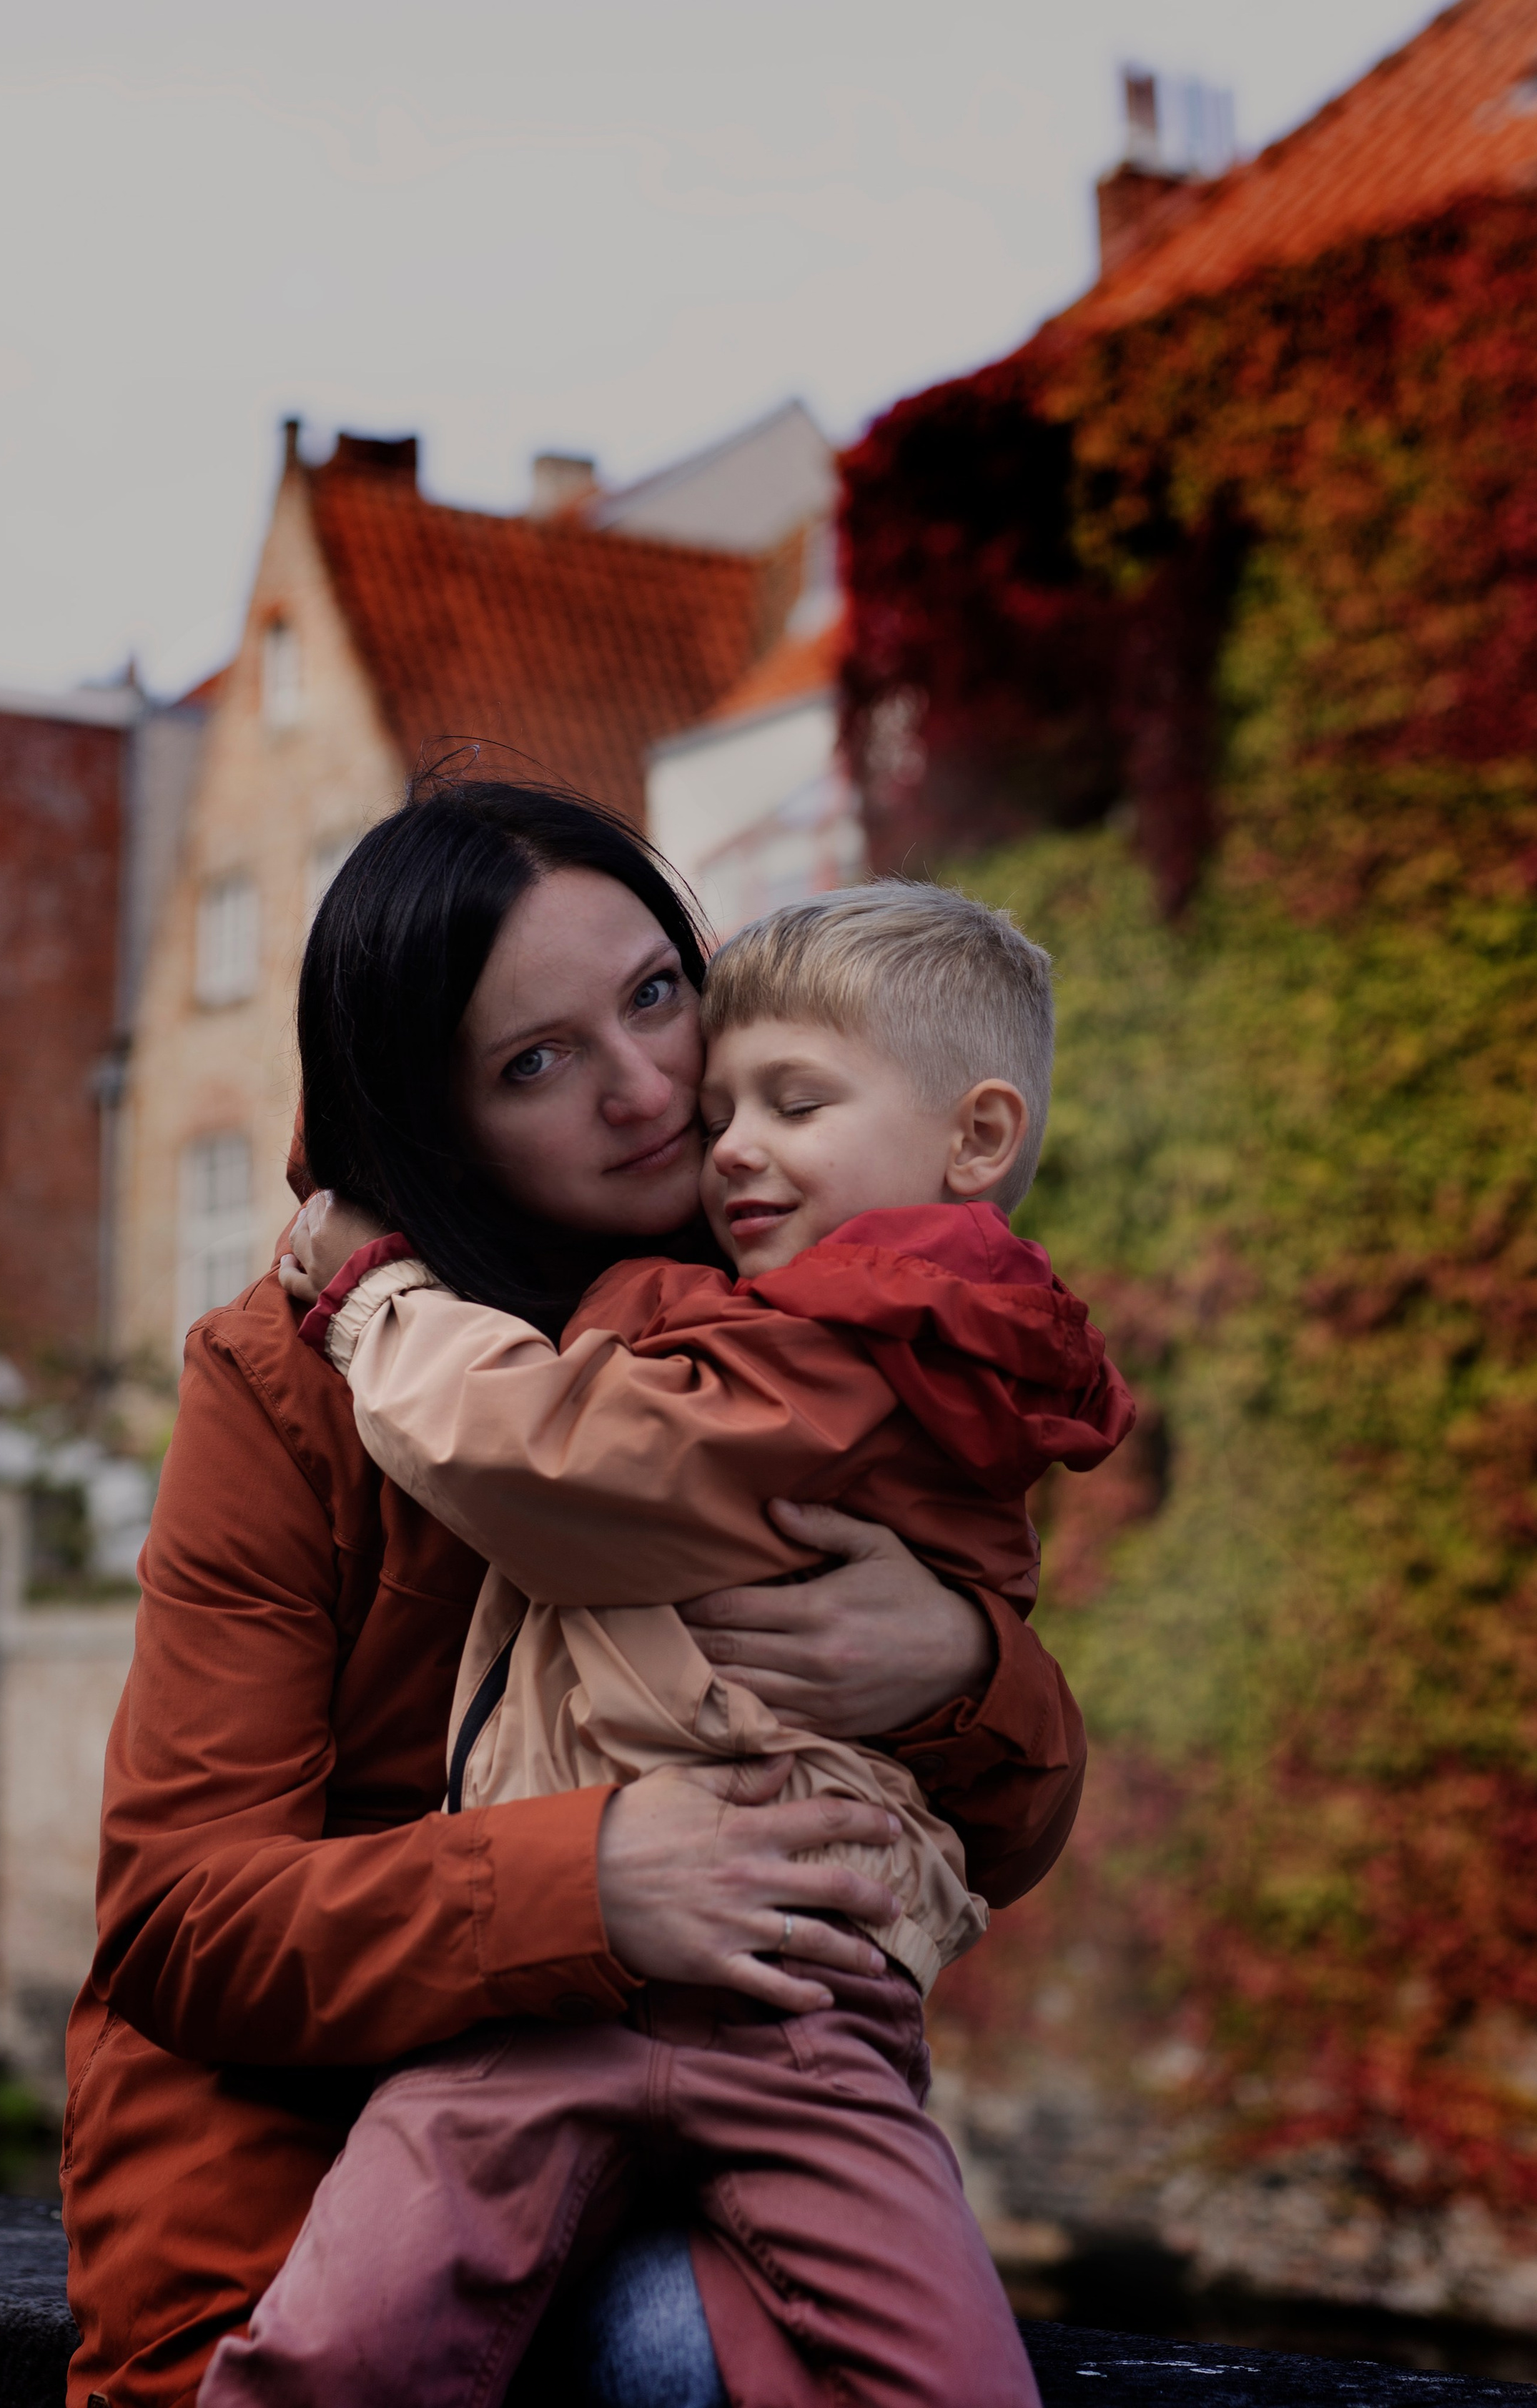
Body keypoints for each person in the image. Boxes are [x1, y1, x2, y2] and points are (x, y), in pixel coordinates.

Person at [61, 777, 1089, 2408]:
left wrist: (958, 1667)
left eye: (655, 996)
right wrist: (590, 1880)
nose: (647, 1094)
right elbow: (183, 1926)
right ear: (429, 1121)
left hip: (718, 2120)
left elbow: (997, 1835)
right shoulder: (285, 1379)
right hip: (312, 2178)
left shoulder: (812, 1285)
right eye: (535, 1063)